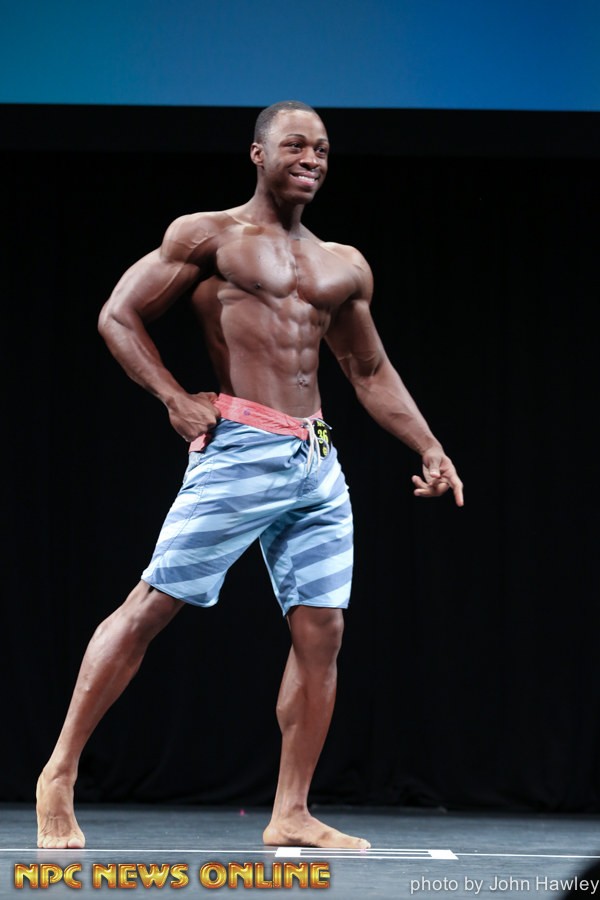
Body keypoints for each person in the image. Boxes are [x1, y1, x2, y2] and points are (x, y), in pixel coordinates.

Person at [36, 100, 464, 851]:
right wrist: (174, 398)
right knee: (152, 605)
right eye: (295, 145)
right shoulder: (209, 236)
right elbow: (118, 315)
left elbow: (367, 368)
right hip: (240, 447)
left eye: (321, 149)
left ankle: (291, 811)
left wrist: (428, 444)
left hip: (316, 461)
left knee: (323, 630)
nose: (312, 158)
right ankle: (60, 773)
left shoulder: (342, 263)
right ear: (259, 154)